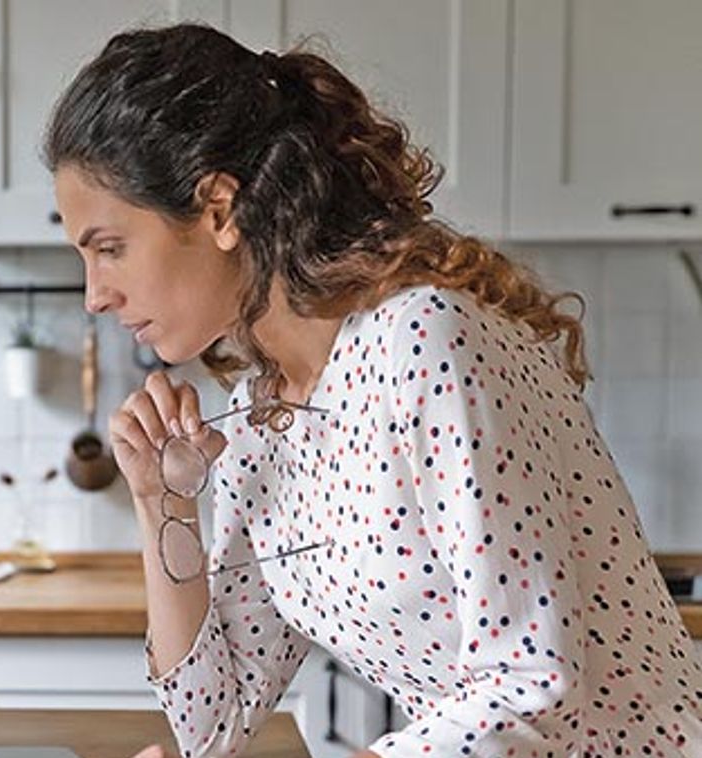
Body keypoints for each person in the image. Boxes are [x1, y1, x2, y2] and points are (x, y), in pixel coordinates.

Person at [43, 23, 702, 758]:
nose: (93, 296)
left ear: (219, 211)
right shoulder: (266, 418)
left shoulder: (424, 341)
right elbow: (212, 723)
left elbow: (529, 682)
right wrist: (160, 503)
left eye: (109, 248)